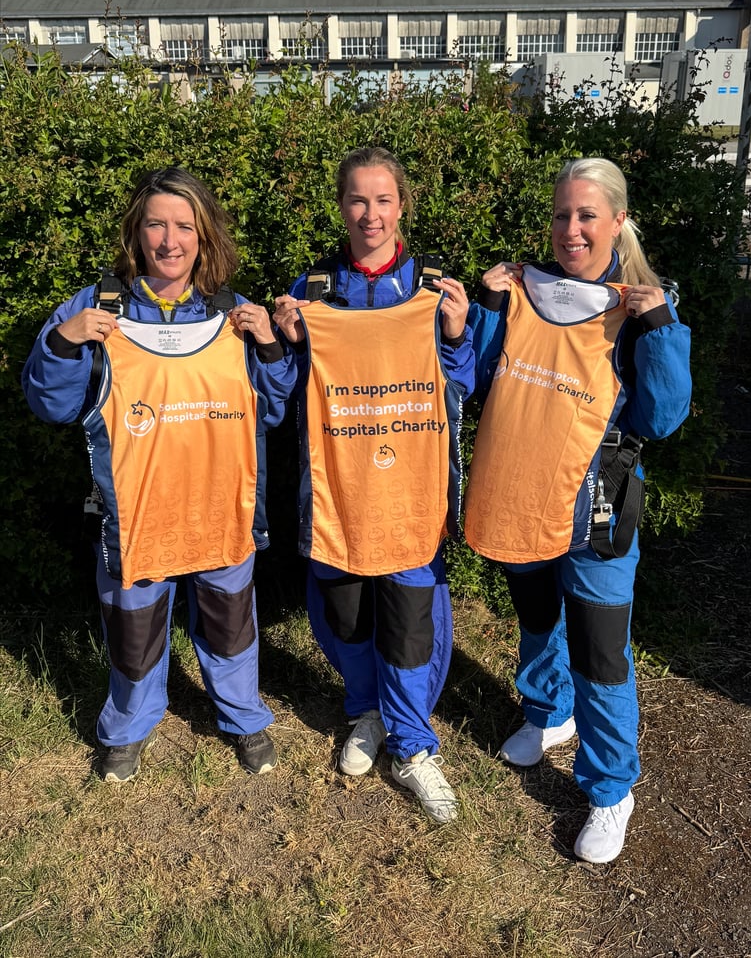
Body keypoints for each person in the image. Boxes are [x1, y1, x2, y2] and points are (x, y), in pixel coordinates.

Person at [23, 167, 296, 783]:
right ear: (137, 233)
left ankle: (244, 717)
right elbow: (51, 404)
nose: (170, 241)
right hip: (135, 515)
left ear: (204, 235)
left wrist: (273, 349)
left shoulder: (234, 313)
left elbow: (274, 408)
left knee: (231, 628)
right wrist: (64, 343)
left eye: (184, 226)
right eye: (156, 225)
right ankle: (127, 726)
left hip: (220, 509)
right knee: (135, 630)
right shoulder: (97, 310)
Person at [464, 157, 691, 862]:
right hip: (521, 489)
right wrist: (488, 308)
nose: (571, 229)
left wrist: (657, 331)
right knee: (535, 617)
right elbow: (473, 380)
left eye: (587, 215)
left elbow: (662, 418)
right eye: (562, 215)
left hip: (597, 505)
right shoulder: (527, 290)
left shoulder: (639, 307)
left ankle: (610, 788)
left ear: (618, 221)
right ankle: (547, 712)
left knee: (599, 651)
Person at [273, 147, 475, 823]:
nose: (371, 214)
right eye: (357, 200)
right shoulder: (314, 290)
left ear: (403, 205)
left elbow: (461, 387)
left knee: (412, 626)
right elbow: (284, 396)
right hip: (335, 495)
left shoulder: (433, 289)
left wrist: (453, 337)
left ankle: (415, 746)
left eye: (383, 200)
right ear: (341, 207)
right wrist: (282, 343)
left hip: (409, 494)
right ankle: (367, 711)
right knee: (345, 616)